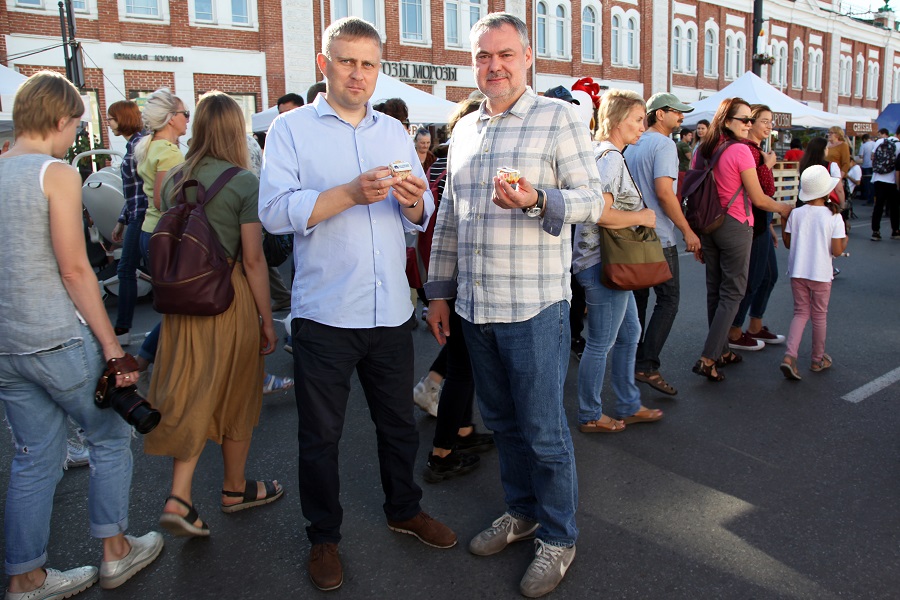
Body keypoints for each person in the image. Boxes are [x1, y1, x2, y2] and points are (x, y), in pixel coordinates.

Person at [258, 17, 453, 593]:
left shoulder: (393, 132)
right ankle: (324, 536)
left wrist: (417, 203)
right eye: (347, 61)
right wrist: (346, 194)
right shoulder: (291, 129)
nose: (358, 74)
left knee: (397, 424)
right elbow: (272, 213)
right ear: (324, 64)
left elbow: (420, 217)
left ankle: (404, 508)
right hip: (325, 313)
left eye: (368, 63)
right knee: (320, 436)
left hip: (391, 308)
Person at [426, 13, 603, 598]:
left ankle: (559, 535)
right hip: (476, 307)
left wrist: (537, 199)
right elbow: (450, 216)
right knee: (502, 423)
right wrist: (439, 291)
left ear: (527, 58)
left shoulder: (559, 119)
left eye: (504, 55)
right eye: (483, 56)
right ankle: (522, 511)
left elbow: (591, 201)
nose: (493, 66)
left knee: (544, 431)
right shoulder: (468, 128)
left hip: (534, 307)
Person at [0, 70, 162, 600]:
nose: (77, 136)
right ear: (60, 119)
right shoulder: (57, 173)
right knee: (111, 437)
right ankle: (115, 551)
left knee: (33, 455)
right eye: (76, 125)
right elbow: (75, 270)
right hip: (57, 336)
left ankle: (25, 577)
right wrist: (113, 348)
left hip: (8, 342)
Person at [144, 91, 282, 537]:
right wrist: (266, 319)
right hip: (228, 298)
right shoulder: (244, 182)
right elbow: (254, 260)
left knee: (192, 389)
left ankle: (181, 493)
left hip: (182, 304)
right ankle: (233, 488)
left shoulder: (174, 179)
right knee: (238, 390)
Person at [573, 89, 663, 434]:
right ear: (617, 119)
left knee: (629, 333)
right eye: (639, 119)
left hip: (598, 261)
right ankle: (589, 414)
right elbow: (601, 214)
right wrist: (642, 215)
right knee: (600, 342)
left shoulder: (598, 153)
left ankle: (628, 402)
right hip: (603, 263)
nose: (644, 126)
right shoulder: (609, 158)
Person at [414, 98, 493, 481]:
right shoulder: (459, 164)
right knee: (463, 368)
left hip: (449, 275)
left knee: (464, 366)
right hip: (461, 276)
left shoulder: (443, 164)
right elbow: (452, 228)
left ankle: (461, 432)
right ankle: (442, 453)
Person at [691, 98, 791, 382]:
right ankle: (709, 357)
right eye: (744, 120)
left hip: (707, 223)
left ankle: (721, 351)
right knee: (733, 291)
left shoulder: (703, 149)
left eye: (750, 120)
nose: (749, 125)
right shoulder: (740, 151)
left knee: (716, 290)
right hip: (735, 224)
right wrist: (786, 208)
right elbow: (759, 198)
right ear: (726, 121)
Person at [624, 92, 701, 396]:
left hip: (632, 232)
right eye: (676, 111)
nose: (681, 116)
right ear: (659, 114)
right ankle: (646, 365)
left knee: (639, 300)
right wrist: (687, 230)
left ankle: (631, 360)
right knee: (668, 299)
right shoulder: (665, 144)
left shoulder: (634, 142)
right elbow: (665, 194)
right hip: (659, 235)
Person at [135, 88, 188, 372]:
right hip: (165, 236)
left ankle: (146, 358)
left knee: (174, 305)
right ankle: (145, 359)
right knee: (179, 306)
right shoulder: (167, 152)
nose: (188, 120)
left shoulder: (150, 146)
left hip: (150, 231)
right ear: (171, 118)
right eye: (184, 114)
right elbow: (162, 199)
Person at [779, 165, 848, 380]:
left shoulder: (796, 214)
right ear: (827, 192)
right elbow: (836, 250)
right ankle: (817, 359)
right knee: (819, 316)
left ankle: (790, 356)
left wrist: (784, 223)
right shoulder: (834, 216)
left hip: (798, 272)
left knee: (800, 313)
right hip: (820, 273)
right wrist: (845, 241)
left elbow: (788, 243)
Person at [726, 104, 786, 351]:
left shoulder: (758, 150)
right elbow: (761, 192)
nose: (769, 125)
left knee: (769, 275)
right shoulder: (747, 151)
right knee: (752, 278)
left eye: (771, 121)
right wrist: (768, 165)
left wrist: (771, 223)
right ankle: (735, 330)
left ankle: (754, 324)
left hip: (763, 220)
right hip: (750, 222)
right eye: (764, 120)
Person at [107, 101, 147, 347]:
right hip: (136, 214)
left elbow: (144, 187)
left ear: (123, 118)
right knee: (131, 269)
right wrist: (122, 220)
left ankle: (122, 328)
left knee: (126, 269)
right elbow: (132, 189)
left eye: (111, 118)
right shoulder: (134, 144)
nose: (109, 123)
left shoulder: (137, 146)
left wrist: (129, 219)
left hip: (141, 215)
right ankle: (122, 328)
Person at [869, 127, 898, 240]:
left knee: (878, 206)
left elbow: (873, 157)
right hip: (892, 180)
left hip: (878, 178)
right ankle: (895, 231)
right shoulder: (898, 145)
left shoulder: (879, 142)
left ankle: (875, 231)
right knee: (894, 207)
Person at [856, 132, 875, 204]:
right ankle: (872, 196)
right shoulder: (875, 143)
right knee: (872, 182)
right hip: (874, 165)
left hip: (866, 165)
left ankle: (866, 196)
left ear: (864, 139)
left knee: (866, 182)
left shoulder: (863, 145)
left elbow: (861, 156)